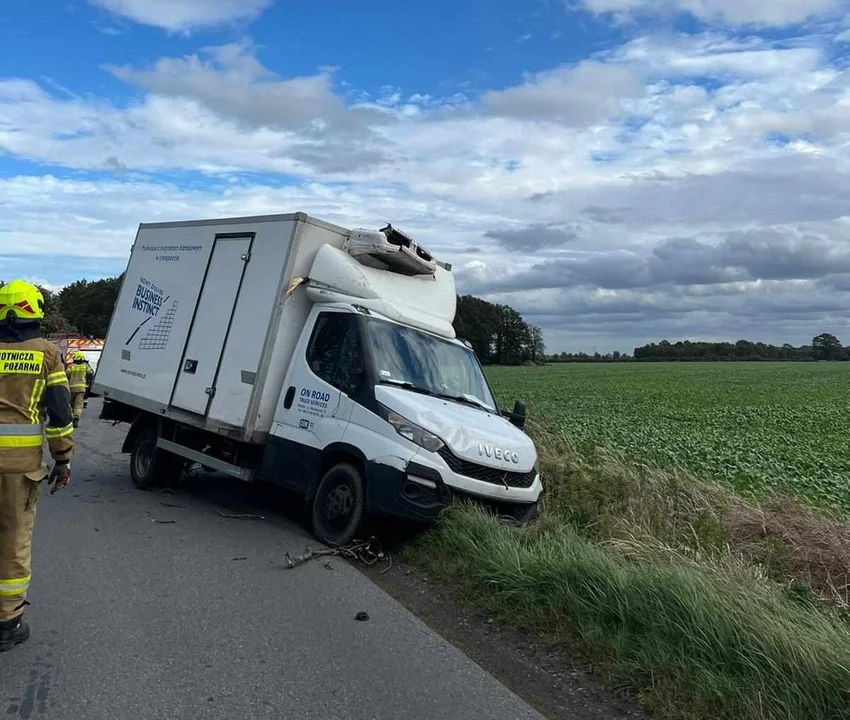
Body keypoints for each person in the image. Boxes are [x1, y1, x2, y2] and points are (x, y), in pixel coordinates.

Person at [0, 280, 74, 652]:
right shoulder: (46, 354)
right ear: (36, 311)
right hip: (20, 470)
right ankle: (6, 623)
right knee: (13, 541)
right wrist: (63, 460)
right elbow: (60, 414)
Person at [67, 351, 93, 427]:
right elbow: (90, 374)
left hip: (71, 388)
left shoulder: (71, 366)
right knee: (78, 404)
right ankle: (76, 419)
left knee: (71, 404)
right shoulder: (85, 366)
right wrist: (88, 383)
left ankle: (70, 418)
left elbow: (66, 375)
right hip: (81, 388)